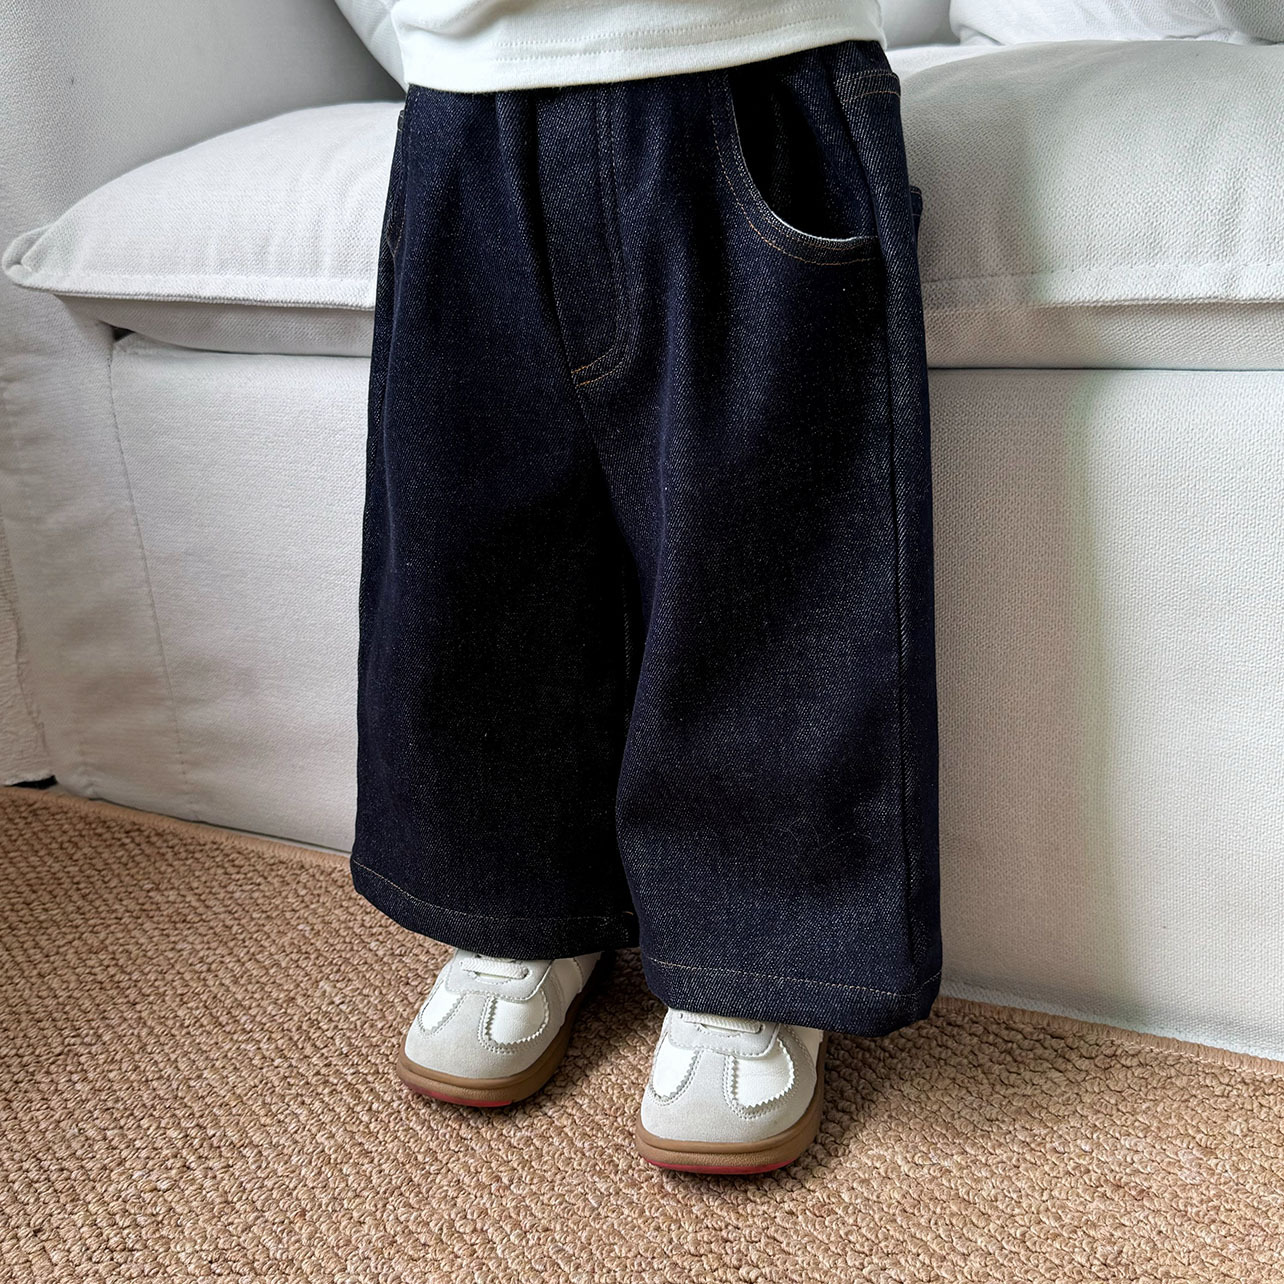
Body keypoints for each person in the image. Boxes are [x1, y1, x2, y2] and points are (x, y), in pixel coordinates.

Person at [350, 0, 941, 1176]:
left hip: (737, 64)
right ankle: (518, 903)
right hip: (467, 101)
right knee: (473, 538)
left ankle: (749, 949)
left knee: (760, 545)